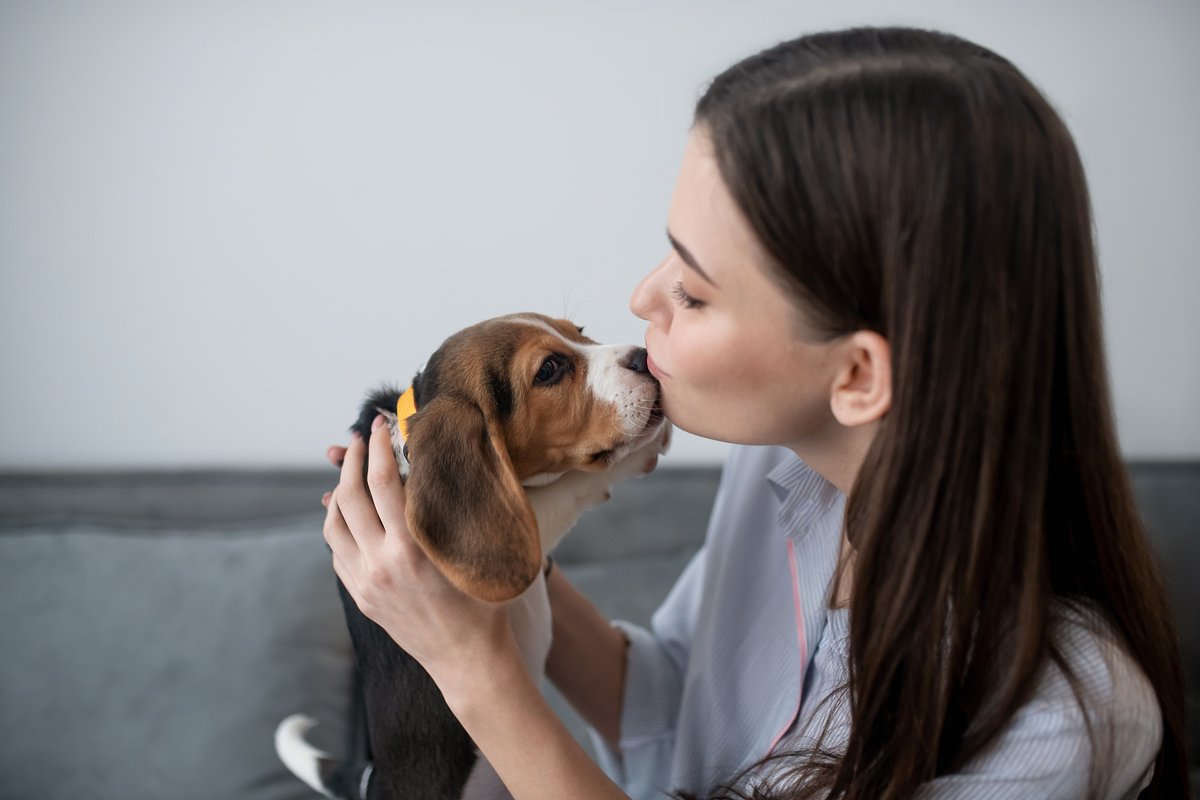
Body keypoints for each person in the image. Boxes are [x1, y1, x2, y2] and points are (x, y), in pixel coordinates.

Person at [321, 26, 1190, 800]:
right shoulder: (773, 469)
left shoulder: (1066, 719)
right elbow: (667, 703)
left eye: (694, 291)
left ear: (856, 374)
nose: (642, 298)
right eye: (669, 256)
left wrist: (474, 670)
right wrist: (487, 532)